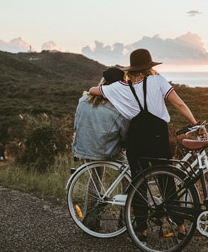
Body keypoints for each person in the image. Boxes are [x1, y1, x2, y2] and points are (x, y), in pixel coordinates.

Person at [88, 48, 200, 241]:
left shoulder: (121, 87)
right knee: (166, 180)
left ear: (131, 69)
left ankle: (142, 230)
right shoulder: (158, 81)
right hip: (157, 136)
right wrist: (196, 123)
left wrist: (111, 92)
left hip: (136, 138)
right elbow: (179, 104)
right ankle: (180, 226)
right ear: (150, 66)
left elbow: (93, 91)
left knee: (138, 182)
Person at [73, 66, 129, 161]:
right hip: (106, 151)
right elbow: (125, 134)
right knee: (128, 168)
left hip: (82, 149)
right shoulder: (118, 107)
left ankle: (94, 177)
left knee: (94, 170)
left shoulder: (82, 100)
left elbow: (76, 125)